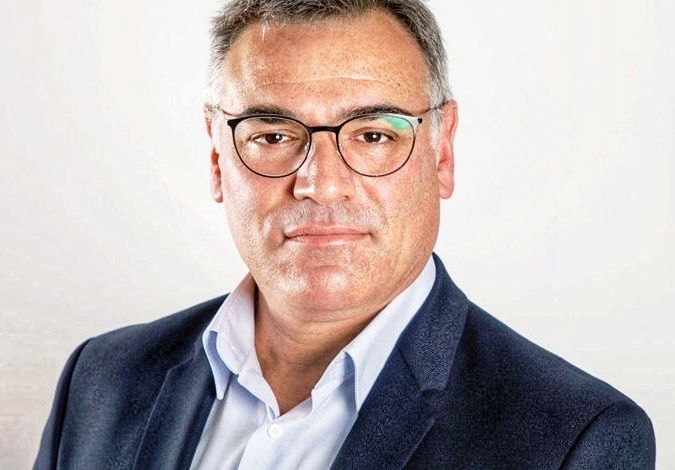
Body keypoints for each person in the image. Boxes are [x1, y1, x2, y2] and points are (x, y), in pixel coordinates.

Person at [34, 0, 656, 468]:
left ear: (441, 153)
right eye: (273, 136)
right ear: (218, 157)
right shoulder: (100, 379)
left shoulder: (577, 440)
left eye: (374, 134)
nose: (321, 185)